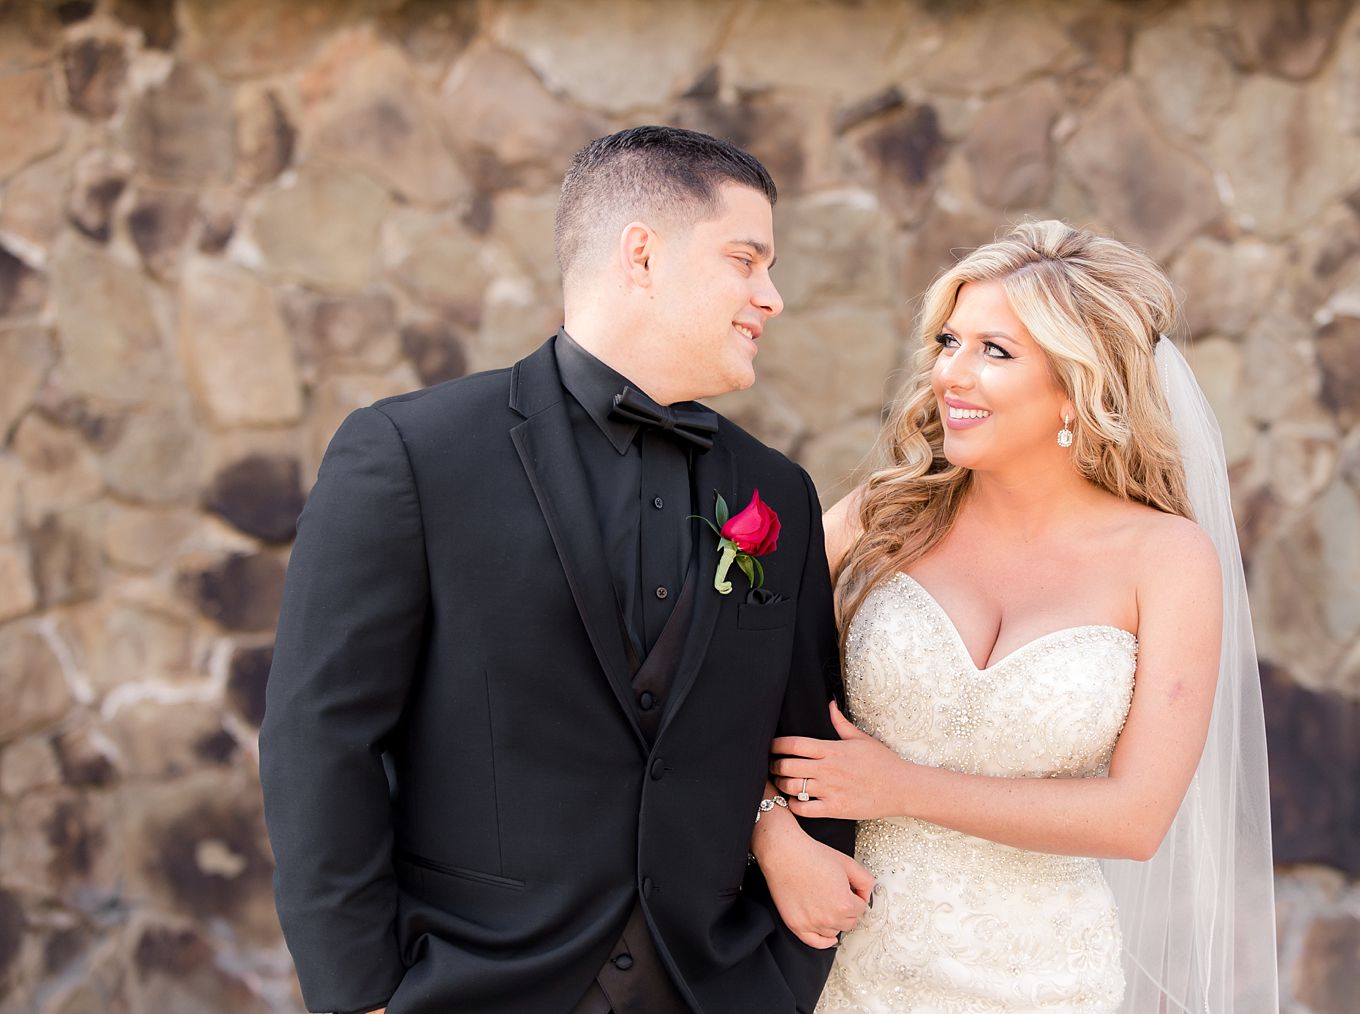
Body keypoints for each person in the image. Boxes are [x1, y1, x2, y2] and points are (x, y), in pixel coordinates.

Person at [259, 125, 869, 1014]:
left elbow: (809, 741)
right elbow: (320, 741)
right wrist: (359, 995)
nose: (770, 298)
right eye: (747, 260)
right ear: (642, 255)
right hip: (470, 986)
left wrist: (782, 968)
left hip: (716, 987)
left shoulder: (777, 491)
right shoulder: (409, 455)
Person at [759, 221, 1278, 1012]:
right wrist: (771, 832)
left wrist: (899, 786)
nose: (949, 376)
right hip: (836, 955)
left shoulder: (1167, 559)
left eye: (994, 352)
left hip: (1042, 977)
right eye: (949, 341)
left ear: (1078, 385)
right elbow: (723, 674)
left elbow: (1136, 818)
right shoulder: (882, 516)